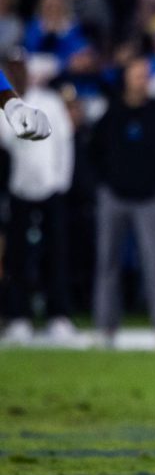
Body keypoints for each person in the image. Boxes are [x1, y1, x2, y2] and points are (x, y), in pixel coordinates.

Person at [90, 58, 155, 348]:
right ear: (126, 79)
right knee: (107, 262)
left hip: (151, 199)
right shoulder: (112, 112)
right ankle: (105, 328)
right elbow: (93, 151)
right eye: (137, 75)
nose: (142, 80)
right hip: (114, 196)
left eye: (145, 76)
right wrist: (103, 185)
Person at [0, 49, 72, 342]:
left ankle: (59, 316)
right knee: (18, 257)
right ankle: (19, 317)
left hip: (50, 187)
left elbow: (65, 142)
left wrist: (62, 181)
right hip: (19, 188)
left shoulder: (49, 101)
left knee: (56, 255)